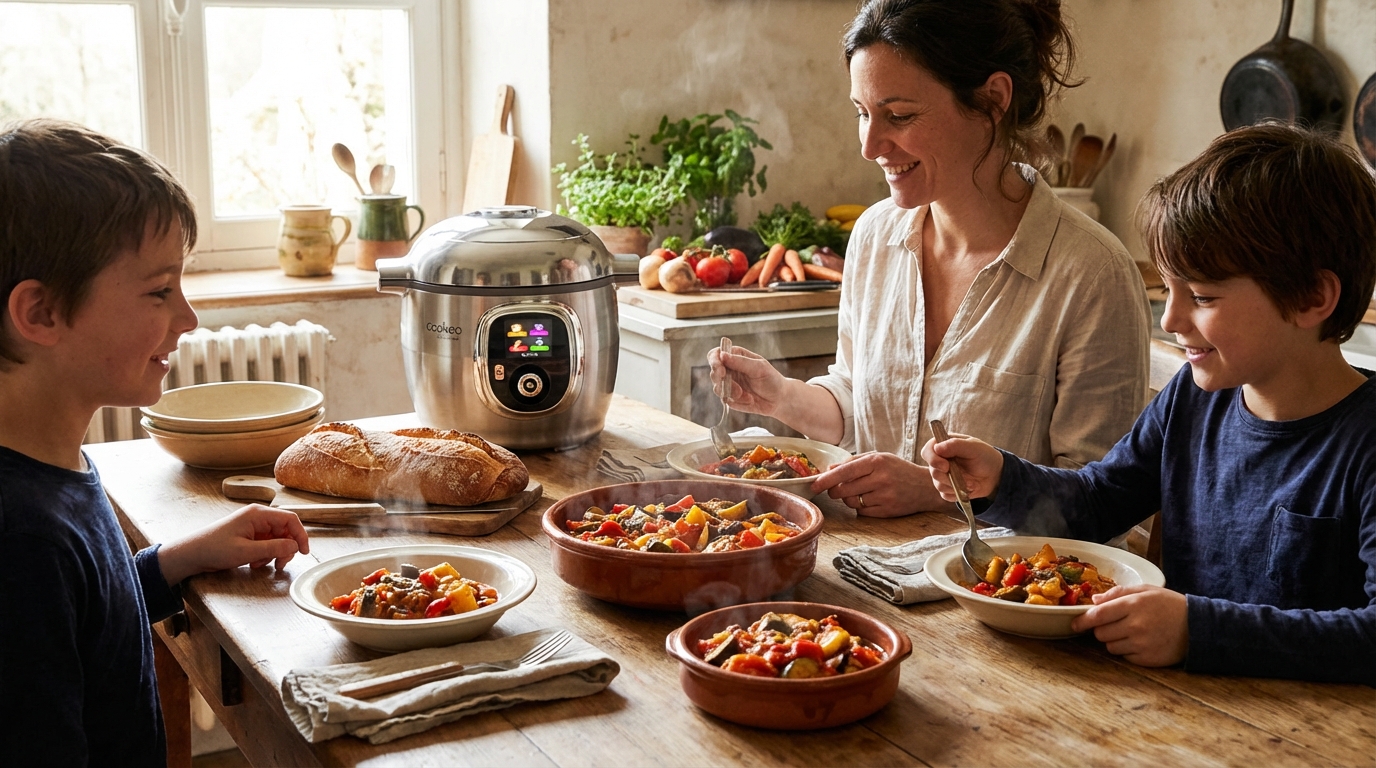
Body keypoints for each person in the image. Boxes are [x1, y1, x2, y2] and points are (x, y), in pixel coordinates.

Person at [922, 123, 1376, 685]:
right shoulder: (1193, 396)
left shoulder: (1366, 444)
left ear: (1312, 297)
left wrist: (1198, 631)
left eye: (1203, 297)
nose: (1171, 321)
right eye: (1168, 290)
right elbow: (1099, 501)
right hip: (1178, 708)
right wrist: (1002, 480)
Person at [710, 0, 1149, 517]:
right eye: (862, 113)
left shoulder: (1092, 273)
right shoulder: (875, 235)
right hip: (861, 565)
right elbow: (858, 399)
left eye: (899, 115)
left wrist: (934, 492)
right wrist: (780, 396)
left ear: (992, 100)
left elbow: (1101, 507)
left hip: (988, 593)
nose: (870, 145)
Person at [0, 119, 311, 763]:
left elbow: (85, 621)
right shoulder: (19, 538)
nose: (189, 318)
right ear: (41, 314)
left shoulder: (47, 463)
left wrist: (179, 561)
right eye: (160, 290)